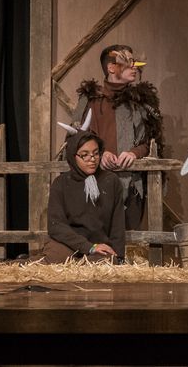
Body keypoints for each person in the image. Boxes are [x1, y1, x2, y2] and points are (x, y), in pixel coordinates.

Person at [73, 44, 162, 229]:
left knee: (129, 243)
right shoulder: (91, 101)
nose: (134, 66)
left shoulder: (140, 102)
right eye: (128, 62)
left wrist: (134, 153)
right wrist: (99, 154)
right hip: (97, 183)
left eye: (134, 62)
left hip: (132, 186)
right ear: (111, 68)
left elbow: (151, 141)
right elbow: (75, 139)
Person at [43, 130, 126, 263]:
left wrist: (119, 257)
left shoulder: (111, 181)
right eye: (84, 155)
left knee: (101, 267)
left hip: (100, 247)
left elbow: (118, 225)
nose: (92, 159)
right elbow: (56, 226)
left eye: (96, 153)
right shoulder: (61, 183)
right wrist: (88, 247)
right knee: (56, 260)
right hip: (68, 244)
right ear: (73, 156)